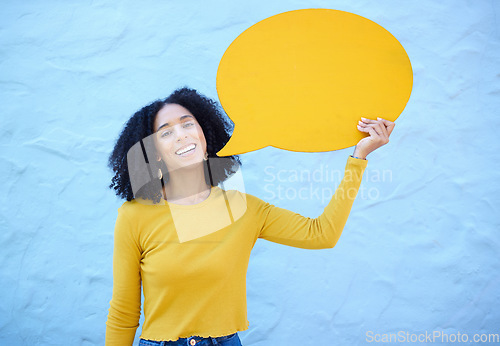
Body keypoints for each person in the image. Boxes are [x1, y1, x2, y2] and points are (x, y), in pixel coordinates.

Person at [105, 87, 395, 345]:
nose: (181, 134)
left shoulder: (245, 209)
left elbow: (322, 234)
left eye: (188, 124)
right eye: (166, 132)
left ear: (206, 136)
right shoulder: (134, 217)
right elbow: (124, 311)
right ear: (155, 154)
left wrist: (359, 158)